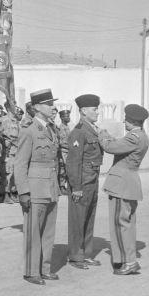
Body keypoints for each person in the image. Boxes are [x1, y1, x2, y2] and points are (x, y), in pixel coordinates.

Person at [14, 88, 61, 285]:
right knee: (33, 232)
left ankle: (45, 268)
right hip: (34, 188)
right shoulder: (29, 130)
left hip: (51, 187)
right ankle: (32, 271)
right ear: (37, 108)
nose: (53, 107)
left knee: (48, 232)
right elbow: (20, 163)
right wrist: (23, 191)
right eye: (49, 104)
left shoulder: (51, 129)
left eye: (52, 103)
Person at [99, 104, 149, 275]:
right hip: (129, 183)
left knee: (119, 223)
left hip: (121, 184)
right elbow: (120, 144)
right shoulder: (141, 136)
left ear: (134, 121)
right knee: (127, 223)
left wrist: (103, 136)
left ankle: (126, 262)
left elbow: (110, 148)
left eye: (126, 119)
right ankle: (128, 259)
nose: (124, 121)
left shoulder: (133, 137)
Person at [66, 94, 104, 269]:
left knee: (89, 218)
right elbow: (73, 162)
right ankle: (76, 256)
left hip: (92, 181)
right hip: (81, 184)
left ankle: (86, 253)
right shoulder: (78, 131)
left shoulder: (92, 129)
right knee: (78, 220)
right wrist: (76, 187)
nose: (98, 112)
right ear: (83, 111)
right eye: (95, 109)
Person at [2, 103, 23, 204]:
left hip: (16, 149)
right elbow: (5, 136)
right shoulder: (5, 120)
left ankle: (12, 192)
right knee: (8, 172)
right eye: (13, 106)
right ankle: (6, 194)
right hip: (9, 150)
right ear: (8, 108)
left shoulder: (15, 121)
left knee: (14, 173)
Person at [58, 109, 71, 194]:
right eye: (66, 116)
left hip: (68, 151)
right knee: (62, 170)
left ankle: (65, 186)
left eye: (69, 116)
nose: (68, 118)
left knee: (67, 170)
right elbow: (61, 143)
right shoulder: (61, 128)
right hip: (63, 151)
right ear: (62, 118)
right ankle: (62, 187)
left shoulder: (67, 126)